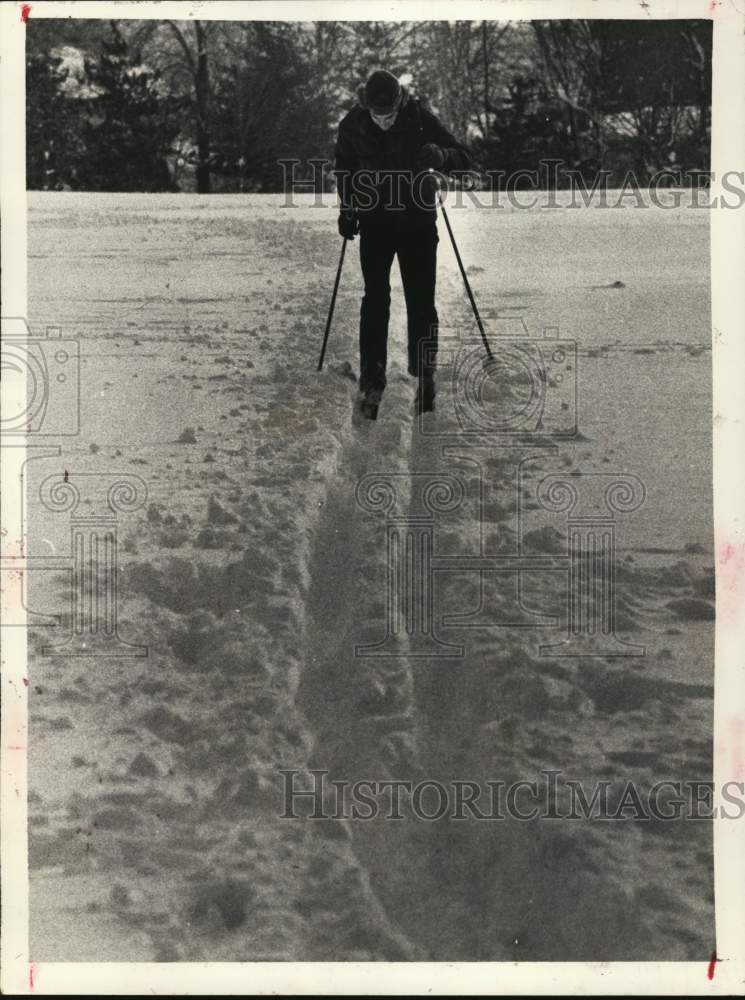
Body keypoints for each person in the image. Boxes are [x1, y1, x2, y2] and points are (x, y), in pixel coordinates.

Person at [334, 69, 471, 419]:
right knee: (375, 298)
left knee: (421, 299)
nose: (383, 122)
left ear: (400, 103)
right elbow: (345, 170)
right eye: (378, 116)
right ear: (367, 106)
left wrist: (440, 156)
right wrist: (348, 210)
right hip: (376, 222)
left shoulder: (420, 119)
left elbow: (463, 157)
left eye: (390, 115)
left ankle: (424, 373)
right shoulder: (353, 124)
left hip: (417, 222)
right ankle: (372, 374)